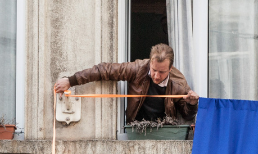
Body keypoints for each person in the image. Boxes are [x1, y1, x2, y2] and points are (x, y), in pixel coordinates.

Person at [53, 43, 200, 123]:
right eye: (154, 70)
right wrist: (70, 81)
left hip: (164, 131)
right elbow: (104, 70)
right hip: (136, 128)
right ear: (149, 63)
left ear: (171, 68)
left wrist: (192, 104)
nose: (156, 76)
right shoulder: (138, 69)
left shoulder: (179, 83)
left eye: (162, 72)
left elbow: (186, 116)